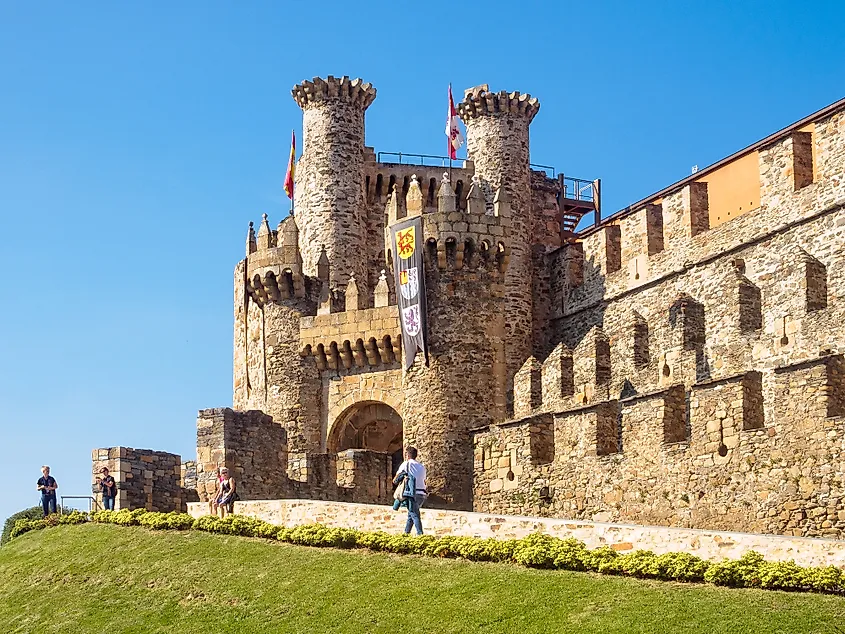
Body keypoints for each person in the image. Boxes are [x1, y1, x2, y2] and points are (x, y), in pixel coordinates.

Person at [392, 447, 427, 535]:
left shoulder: (406, 464)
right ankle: (406, 533)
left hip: (412, 493)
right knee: (411, 515)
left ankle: (420, 534)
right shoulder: (422, 466)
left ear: (407, 455)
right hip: (422, 493)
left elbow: (397, 477)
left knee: (414, 514)